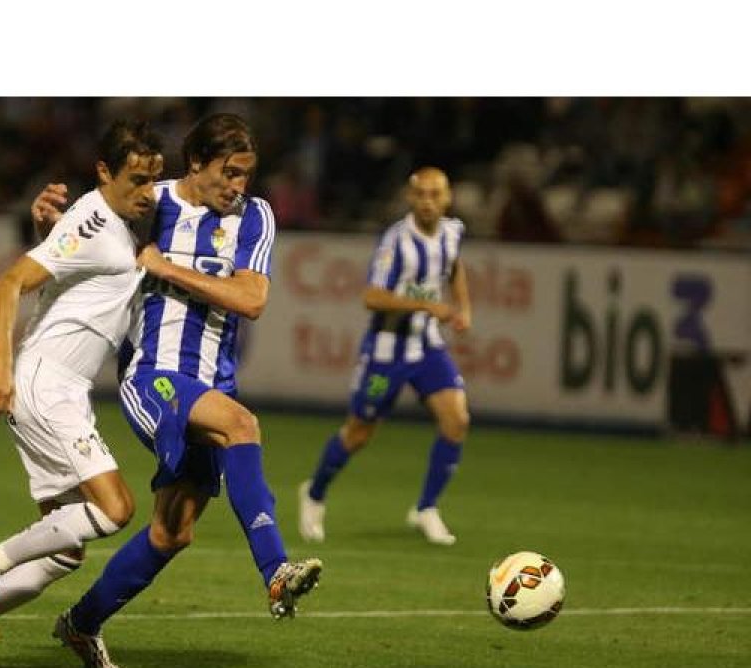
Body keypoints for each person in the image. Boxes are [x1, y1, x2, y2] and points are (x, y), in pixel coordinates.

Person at [32, 113, 322, 668]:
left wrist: (168, 268)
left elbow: (252, 300)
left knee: (172, 532)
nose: (238, 186)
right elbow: (82, 242)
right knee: (243, 425)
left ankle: (80, 624)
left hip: (213, 382)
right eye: (229, 173)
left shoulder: (255, 216)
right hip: (153, 375)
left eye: (246, 175)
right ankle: (276, 571)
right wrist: (47, 225)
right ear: (196, 163)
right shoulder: (153, 200)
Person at [0, 120, 164, 668]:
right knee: (116, 508)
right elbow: (6, 285)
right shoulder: (96, 221)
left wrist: (47, 229)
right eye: (137, 179)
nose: (147, 193)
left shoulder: (113, 224)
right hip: (46, 386)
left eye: (153, 181)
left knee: (61, 553)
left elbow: (66, 266)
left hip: (61, 389)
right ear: (103, 172)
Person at [297, 167, 472, 546]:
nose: (428, 202)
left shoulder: (453, 232)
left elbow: (455, 267)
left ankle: (425, 508)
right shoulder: (396, 242)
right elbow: (371, 297)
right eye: (420, 195)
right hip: (385, 354)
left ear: (447, 198)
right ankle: (314, 493)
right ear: (410, 199)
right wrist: (427, 306)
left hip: (427, 349)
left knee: (456, 420)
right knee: (359, 433)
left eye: (435, 194)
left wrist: (463, 307)